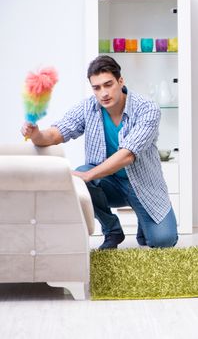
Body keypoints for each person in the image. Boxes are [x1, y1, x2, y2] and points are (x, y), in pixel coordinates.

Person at [21, 55, 178, 250]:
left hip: (144, 186)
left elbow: (128, 154)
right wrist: (36, 134)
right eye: (97, 88)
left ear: (120, 81)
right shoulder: (89, 108)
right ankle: (112, 230)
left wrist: (87, 175)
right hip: (109, 184)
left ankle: (143, 220)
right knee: (82, 179)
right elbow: (55, 134)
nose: (103, 93)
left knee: (163, 241)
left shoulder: (147, 109)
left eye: (108, 84)